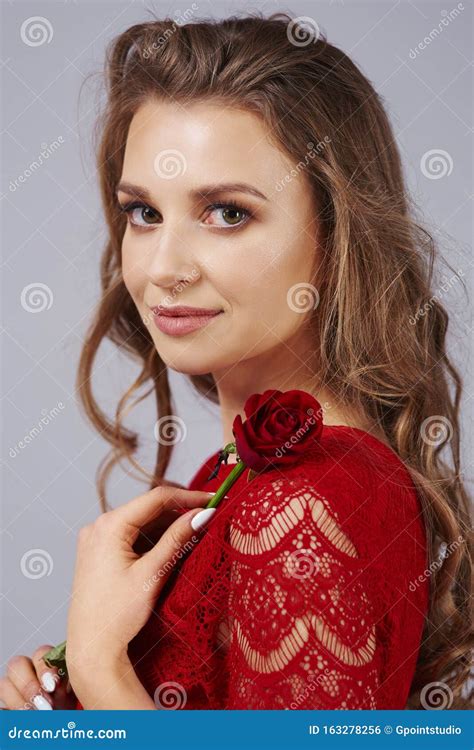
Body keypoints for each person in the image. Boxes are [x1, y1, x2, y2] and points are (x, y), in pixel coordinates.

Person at [1, 13, 472, 711]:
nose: (164, 268)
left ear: (338, 234)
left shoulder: (304, 504)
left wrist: (102, 670)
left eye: (226, 213)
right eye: (143, 213)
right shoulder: (252, 474)